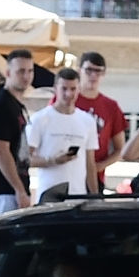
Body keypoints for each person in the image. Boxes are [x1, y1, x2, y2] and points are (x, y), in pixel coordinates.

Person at [25, 68, 98, 200]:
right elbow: (25, 159)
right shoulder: (40, 119)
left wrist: (95, 196)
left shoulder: (87, 121)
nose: (68, 94)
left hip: (77, 195)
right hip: (48, 193)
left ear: (79, 89)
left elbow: (90, 163)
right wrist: (52, 160)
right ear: (55, 89)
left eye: (73, 89)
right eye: (64, 89)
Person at [0, 48, 34, 218]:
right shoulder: (0, 105)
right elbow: (1, 151)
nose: (26, 76)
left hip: (13, 191)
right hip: (3, 192)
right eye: (21, 71)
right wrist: (19, 190)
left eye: (30, 71)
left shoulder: (15, 105)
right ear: (8, 73)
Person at [75, 51, 128, 191]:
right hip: (67, 173)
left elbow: (120, 149)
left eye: (98, 71)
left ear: (103, 75)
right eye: (89, 70)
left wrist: (99, 166)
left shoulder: (111, 107)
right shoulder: (66, 100)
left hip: (95, 177)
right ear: (79, 71)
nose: (93, 76)